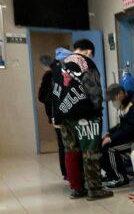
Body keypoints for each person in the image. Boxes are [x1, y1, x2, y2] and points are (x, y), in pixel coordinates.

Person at [52, 39, 113, 200]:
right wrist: (98, 110)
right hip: (85, 114)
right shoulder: (86, 62)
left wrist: (57, 116)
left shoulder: (59, 64)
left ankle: (76, 189)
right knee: (90, 151)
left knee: (70, 152)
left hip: (64, 115)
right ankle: (95, 188)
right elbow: (93, 88)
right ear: (88, 51)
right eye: (91, 53)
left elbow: (55, 92)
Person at [100, 84, 134, 188]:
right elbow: (124, 125)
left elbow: (131, 128)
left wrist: (112, 138)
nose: (113, 102)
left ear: (120, 93)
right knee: (102, 144)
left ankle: (120, 178)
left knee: (111, 148)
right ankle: (111, 174)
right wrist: (110, 133)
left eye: (113, 99)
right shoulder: (126, 103)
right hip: (130, 135)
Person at [38, 50, 69, 180]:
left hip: (59, 114)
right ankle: (67, 173)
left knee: (64, 144)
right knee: (64, 145)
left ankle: (67, 173)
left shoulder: (60, 74)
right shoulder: (51, 76)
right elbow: (42, 96)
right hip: (58, 115)